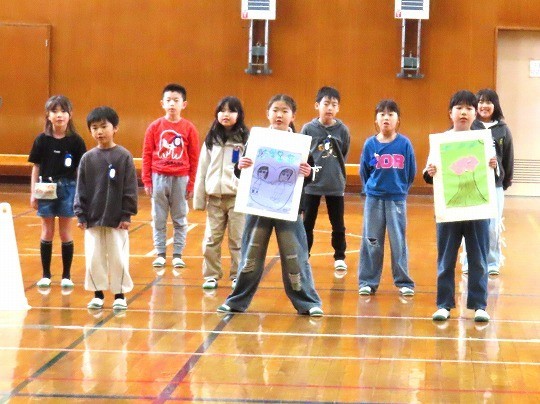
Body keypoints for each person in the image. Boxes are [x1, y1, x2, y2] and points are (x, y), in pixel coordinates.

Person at [217, 94, 323, 317]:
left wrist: (308, 172)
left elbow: (310, 174)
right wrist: (240, 166)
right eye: (275, 110)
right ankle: (236, 300)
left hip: (289, 209)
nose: (279, 115)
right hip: (258, 208)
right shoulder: (256, 140)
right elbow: (242, 171)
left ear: (293, 116)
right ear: (268, 113)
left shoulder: (300, 144)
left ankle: (308, 302)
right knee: (251, 254)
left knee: (295, 255)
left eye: (285, 111)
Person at [423, 90, 497, 323]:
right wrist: (430, 171)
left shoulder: (484, 141)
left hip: (477, 211)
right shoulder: (441, 141)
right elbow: (428, 173)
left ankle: (479, 306)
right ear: (450, 113)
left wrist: (493, 165)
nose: (463, 112)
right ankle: (444, 304)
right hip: (449, 210)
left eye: (468, 108)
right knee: (446, 260)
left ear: (475, 114)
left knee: (478, 259)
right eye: (459, 108)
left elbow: (496, 174)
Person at [74, 106, 138, 310]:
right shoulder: (87, 158)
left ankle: (119, 294)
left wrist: (126, 214)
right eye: (94, 128)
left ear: (115, 128)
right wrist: (80, 214)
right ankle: (97, 294)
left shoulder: (123, 156)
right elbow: (81, 188)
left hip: (116, 218)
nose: (99, 132)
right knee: (94, 257)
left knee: (118, 257)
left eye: (104, 126)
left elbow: (130, 187)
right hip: (92, 218)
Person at [358, 99, 416, 297]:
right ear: (376, 119)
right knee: (371, 241)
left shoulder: (404, 144)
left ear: (398, 120)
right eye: (382, 114)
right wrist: (372, 189)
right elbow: (364, 172)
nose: (386, 118)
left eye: (391, 114)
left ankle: (404, 282)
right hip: (374, 200)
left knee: (398, 241)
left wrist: (400, 190)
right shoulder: (370, 144)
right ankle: (368, 281)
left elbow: (411, 172)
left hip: (396, 199)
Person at [28, 95, 87, 290]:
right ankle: (46, 275)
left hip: (68, 188)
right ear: (48, 115)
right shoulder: (41, 140)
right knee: (47, 231)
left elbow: (80, 170)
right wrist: (33, 193)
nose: (59, 115)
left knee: (65, 233)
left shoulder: (76, 141)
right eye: (54, 111)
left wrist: (80, 194)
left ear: (70, 115)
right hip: (45, 187)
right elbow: (36, 167)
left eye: (63, 111)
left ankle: (66, 276)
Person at [193, 96, 249, 290]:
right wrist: (199, 199)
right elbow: (202, 169)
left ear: (239, 115)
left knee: (238, 240)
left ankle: (237, 275)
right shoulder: (211, 139)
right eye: (222, 110)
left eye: (231, 110)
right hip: (215, 200)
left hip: (237, 199)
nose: (226, 114)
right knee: (211, 240)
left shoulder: (245, 140)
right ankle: (211, 275)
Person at [142, 83, 200, 270]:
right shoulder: (154, 127)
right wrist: (147, 180)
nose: (172, 104)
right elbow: (147, 155)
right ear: (162, 103)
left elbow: (194, 158)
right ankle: (160, 253)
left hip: (181, 178)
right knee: (158, 218)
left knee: (180, 218)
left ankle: (177, 254)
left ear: (184, 104)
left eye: (176, 100)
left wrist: (191, 184)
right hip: (158, 177)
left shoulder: (189, 128)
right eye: (168, 100)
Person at [460, 89, 514, 276]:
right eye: (481, 102)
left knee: (492, 226)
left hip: (495, 186)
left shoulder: (503, 130)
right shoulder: (470, 126)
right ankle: (468, 262)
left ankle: (492, 262)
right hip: (472, 185)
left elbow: (508, 157)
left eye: (489, 102)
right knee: (470, 225)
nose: (484, 105)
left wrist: (505, 180)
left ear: (495, 105)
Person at [301, 86, 351, 275]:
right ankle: (304, 255)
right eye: (326, 103)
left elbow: (343, 153)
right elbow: (303, 153)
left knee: (338, 224)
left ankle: (339, 257)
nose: (330, 108)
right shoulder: (308, 128)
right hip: (312, 185)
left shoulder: (342, 130)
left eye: (334, 105)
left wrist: (335, 171)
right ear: (317, 105)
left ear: (338, 108)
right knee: (307, 223)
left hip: (335, 184)